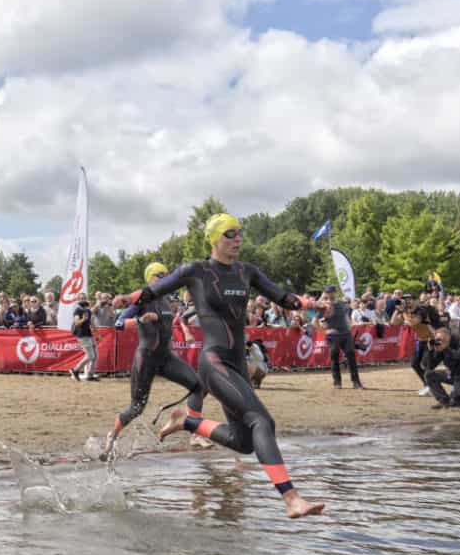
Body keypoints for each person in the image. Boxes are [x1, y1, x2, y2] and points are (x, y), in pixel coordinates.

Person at [115, 212, 324, 518]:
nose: (238, 239)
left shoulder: (246, 272)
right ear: (214, 238)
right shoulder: (196, 271)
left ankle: (186, 422)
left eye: (240, 233)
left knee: (243, 442)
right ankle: (291, 498)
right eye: (230, 234)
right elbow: (155, 290)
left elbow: (282, 296)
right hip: (214, 362)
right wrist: (126, 298)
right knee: (262, 422)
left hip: (237, 363)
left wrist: (309, 304)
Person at [103, 262, 206, 455]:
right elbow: (118, 324)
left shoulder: (167, 299)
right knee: (137, 408)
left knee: (198, 386)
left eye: (167, 275)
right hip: (146, 358)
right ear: (150, 278)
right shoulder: (142, 299)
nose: (165, 278)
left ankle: (193, 431)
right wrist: (140, 320)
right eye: (161, 275)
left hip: (165, 357)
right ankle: (112, 435)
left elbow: (177, 320)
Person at [317, 286, 363, 390]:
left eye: (331, 293)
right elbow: (314, 321)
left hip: (346, 334)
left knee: (351, 357)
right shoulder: (323, 306)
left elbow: (348, 316)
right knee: (335, 358)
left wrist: (350, 325)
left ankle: (356, 382)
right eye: (327, 293)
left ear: (335, 293)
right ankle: (337, 382)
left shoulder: (343, 304)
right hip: (333, 336)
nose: (330, 295)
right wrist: (325, 331)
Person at [69, 293, 97, 381]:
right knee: (90, 356)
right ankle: (75, 370)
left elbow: (91, 323)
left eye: (84, 298)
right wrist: (83, 319)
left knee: (95, 356)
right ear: (78, 300)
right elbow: (76, 322)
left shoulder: (88, 310)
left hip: (89, 334)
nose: (83, 299)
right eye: (81, 298)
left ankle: (90, 375)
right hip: (82, 335)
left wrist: (98, 334)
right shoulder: (78, 310)